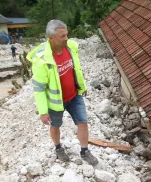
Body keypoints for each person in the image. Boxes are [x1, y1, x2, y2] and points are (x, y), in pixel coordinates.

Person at [27, 20, 98, 165]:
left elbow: (76, 69)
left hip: (74, 96)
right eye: (62, 36)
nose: (66, 38)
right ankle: (58, 148)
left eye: (67, 34)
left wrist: (82, 87)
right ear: (51, 38)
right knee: (56, 126)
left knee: (83, 123)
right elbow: (39, 88)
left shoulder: (71, 47)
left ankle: (85, 151)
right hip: (56, 102)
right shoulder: (42, 60)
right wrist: (43, 112)